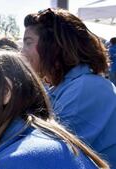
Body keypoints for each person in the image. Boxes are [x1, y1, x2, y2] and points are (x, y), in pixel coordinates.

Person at [22, 8, 116, 166]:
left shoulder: (86, 88)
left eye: (28, 42)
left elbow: (46, 151)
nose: (22, 51)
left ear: (53, 45)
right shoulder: (69, 85)